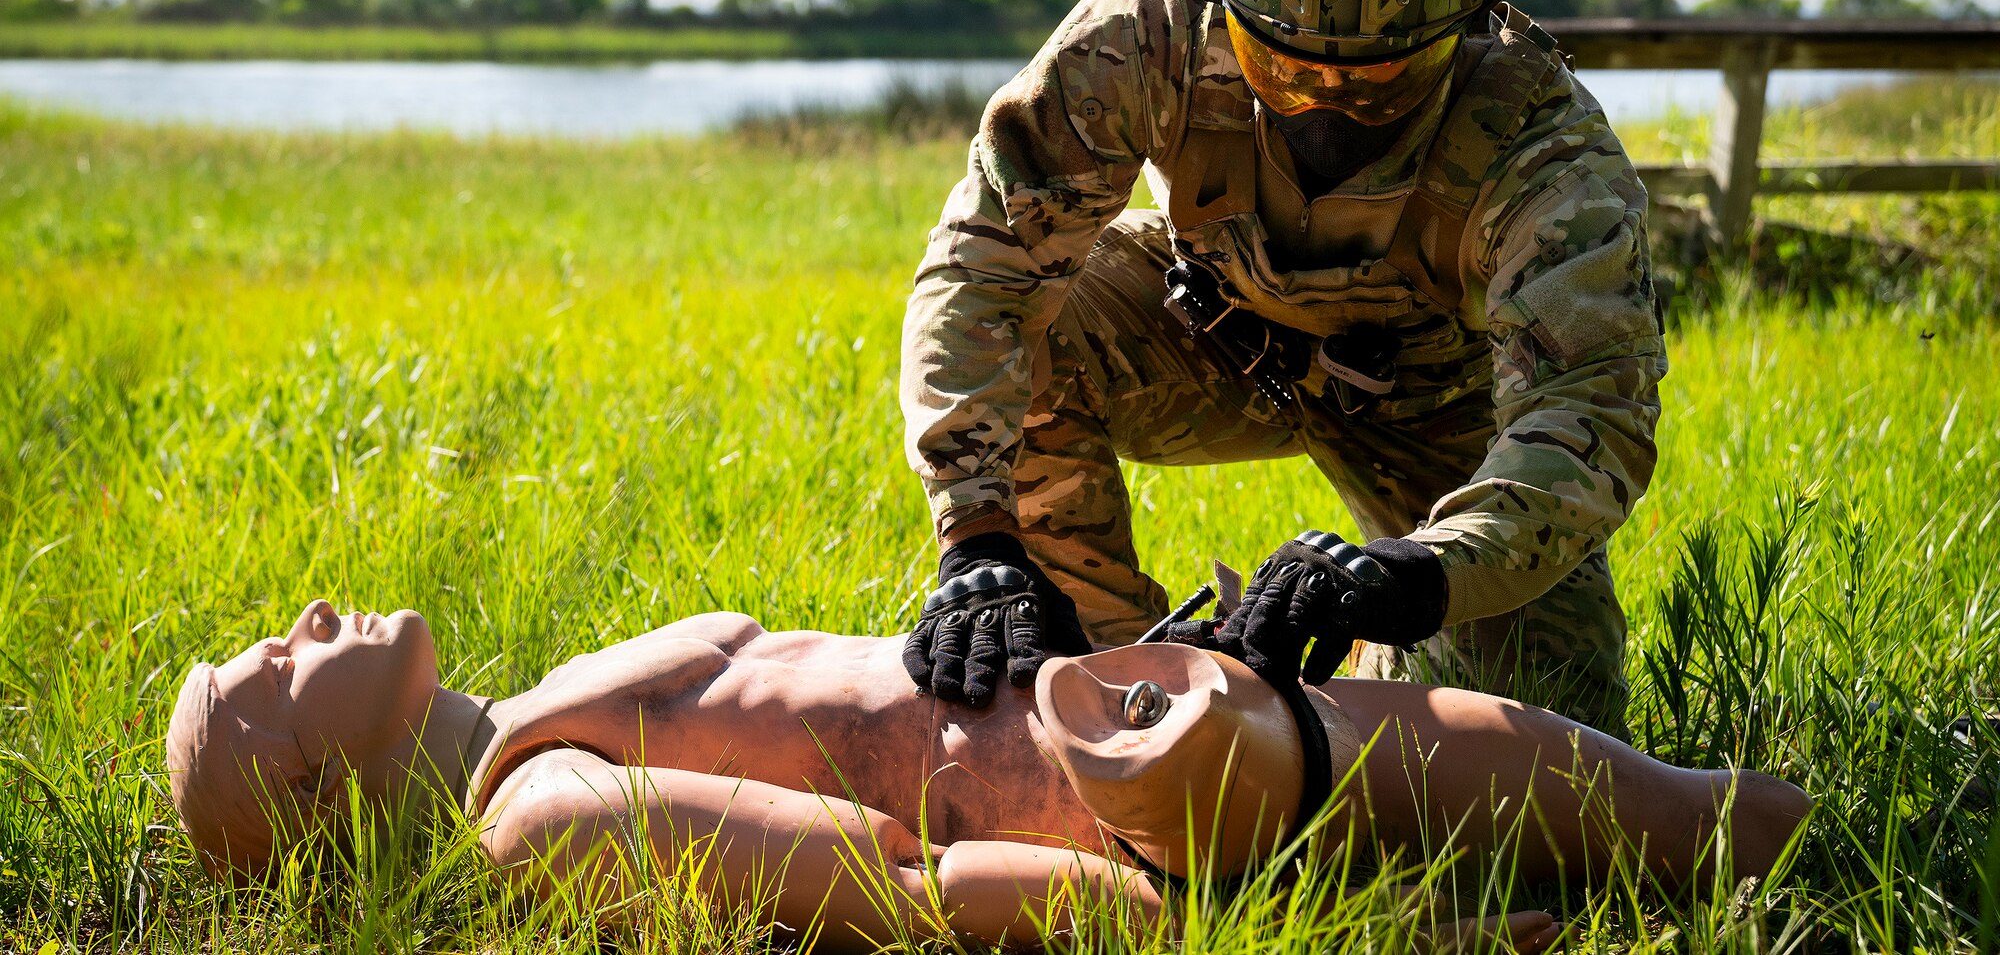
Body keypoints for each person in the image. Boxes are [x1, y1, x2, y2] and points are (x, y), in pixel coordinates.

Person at [900, 0, 1667, 735]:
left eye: (1381, 81)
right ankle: (1107, 678)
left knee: (1555, 724)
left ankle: (1358, 666)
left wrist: (1414, 575)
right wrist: (977, 542)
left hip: (1436, 400)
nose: (1326, 107)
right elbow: (985, 269)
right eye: (1284, 68)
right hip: (1210, 326)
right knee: (1044, 324)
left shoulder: (1543, 145)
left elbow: (1589, 407)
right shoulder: (1152, 28)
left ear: (1474, 9)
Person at [168, 598, 1808, 951]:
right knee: (1570, 809)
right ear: (314, 785)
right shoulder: (550, 813)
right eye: (268, 672)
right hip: (1135, 802)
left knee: (1648, 802)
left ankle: (1784, 843)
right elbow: (904, 882)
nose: (300, 623)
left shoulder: (543, 705)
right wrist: (1186, 926)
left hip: (1155, 714)